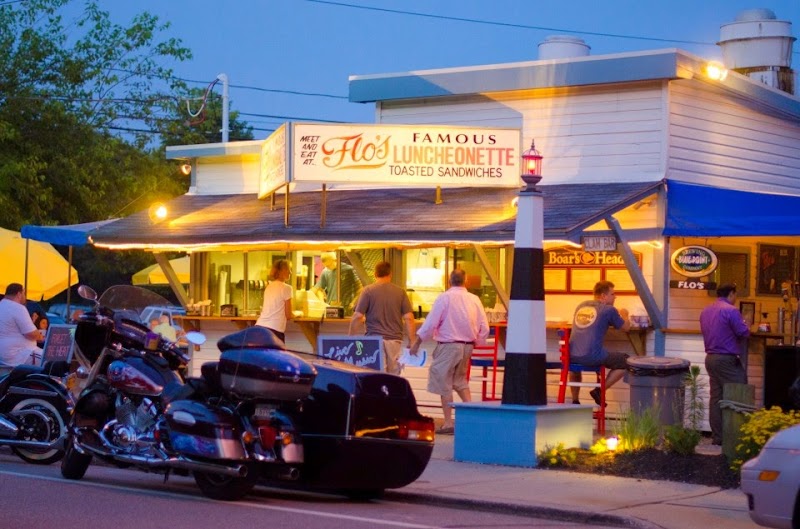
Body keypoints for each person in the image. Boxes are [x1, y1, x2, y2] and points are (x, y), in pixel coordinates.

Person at [409, 269, 489, 434]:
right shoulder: (474, 299)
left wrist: (417, 343)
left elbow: (431, 323)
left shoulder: (444, 298)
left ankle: (448, 422)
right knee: (460, 381)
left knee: (443, 380)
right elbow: (484, 326)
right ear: (465, 281)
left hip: (448, 345)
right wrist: (477, 342)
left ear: (449, 281)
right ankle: (472, 419)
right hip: (467, 345)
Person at [699, 283, 749, 446]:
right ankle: (736, 438)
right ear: (731, 294)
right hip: (726, 359)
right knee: (738, 392)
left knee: (716, 398)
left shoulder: (706, 310)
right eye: (735, 295)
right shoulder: (731, 310)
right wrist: (747, 323)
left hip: (711, 357)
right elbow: (743, 332)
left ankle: (718, 437)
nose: (736, 299)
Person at [568, 280, 631, 405]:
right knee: (626, 361)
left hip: (571, 355)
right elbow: (626, 328)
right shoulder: (609, 310)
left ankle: (575, 400)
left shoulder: (582, 305)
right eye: (612, 294)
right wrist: (625, 314)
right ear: (603, 296)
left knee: (576, 366)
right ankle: (599, 391)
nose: (615, 297)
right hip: (592, 356)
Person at [348, 261, 416, 375]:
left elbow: (358, 316)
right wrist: (412, 340)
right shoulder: (400, 292)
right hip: (394, 340)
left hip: (374, 340)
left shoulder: (368, 291)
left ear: (375, 274)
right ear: (390, 274)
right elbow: (409, 318)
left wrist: (350, 337)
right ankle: (392, 393)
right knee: (393, 376)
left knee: (377, 375)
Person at [0, 283, 44, 366]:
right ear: (19, 294)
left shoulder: (1, 305)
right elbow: (31, 334)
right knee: (54, 360)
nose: (25, 297)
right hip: (19, 354)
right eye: (24, 293)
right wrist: (40, 336)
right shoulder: (18, 308)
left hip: (3, 355)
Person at [255, 259, 294, 342]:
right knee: (278, 355)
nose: (290, 272)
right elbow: (289, 315)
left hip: (259, 327)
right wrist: (298, 314)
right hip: (274, 330)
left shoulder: (269, 287)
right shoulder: (287, 288)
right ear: (281, 271)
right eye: (288, 269)